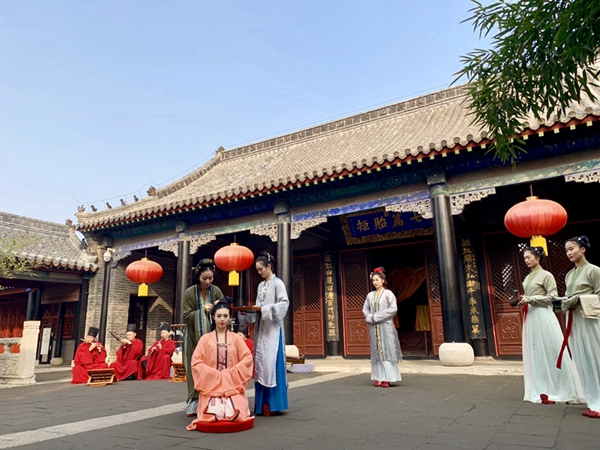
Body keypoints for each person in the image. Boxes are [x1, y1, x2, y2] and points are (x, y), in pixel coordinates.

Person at [518, 247, 582, 404]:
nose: (526, 260)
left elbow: (553, 297)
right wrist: (523, 301)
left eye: (529, 257)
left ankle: (566, 387)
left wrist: (530, 299)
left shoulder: (546, 275)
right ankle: (542, 387)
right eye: (524, 258)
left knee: (552, 348)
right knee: (536, 351)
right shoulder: (527, 278)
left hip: (543, 314)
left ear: (538, 258)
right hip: (531, 315)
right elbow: (528, 297)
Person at [186, 300, 254, 433]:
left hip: (232, 384)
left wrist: (231, 373)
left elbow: (247, 358)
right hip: (211, 385)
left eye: (225, 316)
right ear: (213, 317)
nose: (222, 319)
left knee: (237, 412)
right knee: (212, 412)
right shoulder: (205, 339)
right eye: (219, 316)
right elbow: (196, 362)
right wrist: (214, 374)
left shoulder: (237, 339)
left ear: (230, 317)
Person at [556, 236, 600, 418]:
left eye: (572, 248)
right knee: (582, 359)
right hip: (574, 320)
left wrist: (580, 299)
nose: (569, 253)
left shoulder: (594, 270)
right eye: (567, 250)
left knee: (595, 358)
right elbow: (568, 296)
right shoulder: (569, 275)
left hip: (589, 319)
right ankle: (592, 399)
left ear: (583, 249)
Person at [183, 258, 224, 416]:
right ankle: (194, 400)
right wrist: (203, 311)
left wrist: (219, 306)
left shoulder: (216, 291)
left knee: (214, 366)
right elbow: (187, 314)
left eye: (210, 278)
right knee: (195, 366)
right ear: (197, 276)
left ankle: (213, 398)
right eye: (204, 278)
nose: (208, 281)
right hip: (194, 336)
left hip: (213, 336)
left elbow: (223, 311)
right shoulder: (190, 292)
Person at [253, 251, 289, 416]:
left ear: (269, 266)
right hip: (262, 329)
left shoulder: (278, 283)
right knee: (261, 364)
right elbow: (257, 305)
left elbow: (284, 303)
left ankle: (273, 404)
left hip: (273, 330)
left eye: (261, 269)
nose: (259, 272)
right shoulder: (261, 285)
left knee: (271, 364)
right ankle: (261, 405)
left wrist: (266, 310)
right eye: (258, 270)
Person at [362, 267, 402, 388]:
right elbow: (365, 309)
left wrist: (377, 317)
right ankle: (378, 377)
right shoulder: (370, 295)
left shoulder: (388, 293)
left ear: (383, 280)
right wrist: (369, 317)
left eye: (377, 280)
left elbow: (393, 309)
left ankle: (388, 377)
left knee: (387, 350)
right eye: (373, 280)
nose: (375, 282)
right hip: (374, 327)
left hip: (386, 326)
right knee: (376, 352)